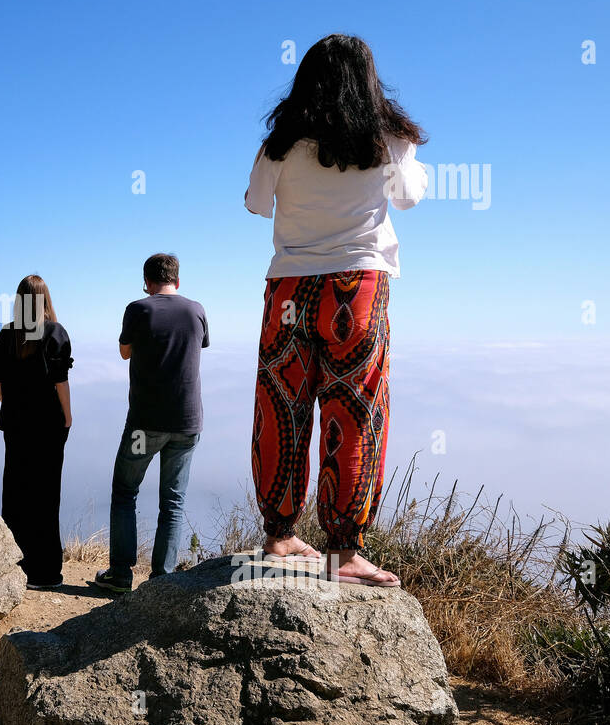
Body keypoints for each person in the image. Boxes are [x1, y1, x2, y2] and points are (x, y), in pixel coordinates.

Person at [245, 34, 428, 588]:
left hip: (289, 289)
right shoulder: (389, 138)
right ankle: (344, 552)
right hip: (359, 286)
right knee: (355, 411)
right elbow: (409, 197)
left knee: (282, 403)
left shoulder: (281, 144)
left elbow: (256, 204)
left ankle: (279, 534)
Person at [94, 254, 209, 593]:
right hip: (187, 424)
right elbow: (199, 344)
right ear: (177, 279)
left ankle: (120, 575)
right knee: (172, 501)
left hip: (145, 426)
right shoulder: (196, 309)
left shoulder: (139, 309)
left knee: (125, 492)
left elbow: (124, 352)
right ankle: (162, 581)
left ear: (146, 281)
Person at [0, 275, 73, 590]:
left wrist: (10, 404)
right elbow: (59, 380)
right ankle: (46, 572)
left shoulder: (9, 334)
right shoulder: (54, 332)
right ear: (46, 299)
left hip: (15, 424)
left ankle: (15, 568)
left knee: (16, 492)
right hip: (48, 425)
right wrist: (67, 416)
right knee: (46, 495)